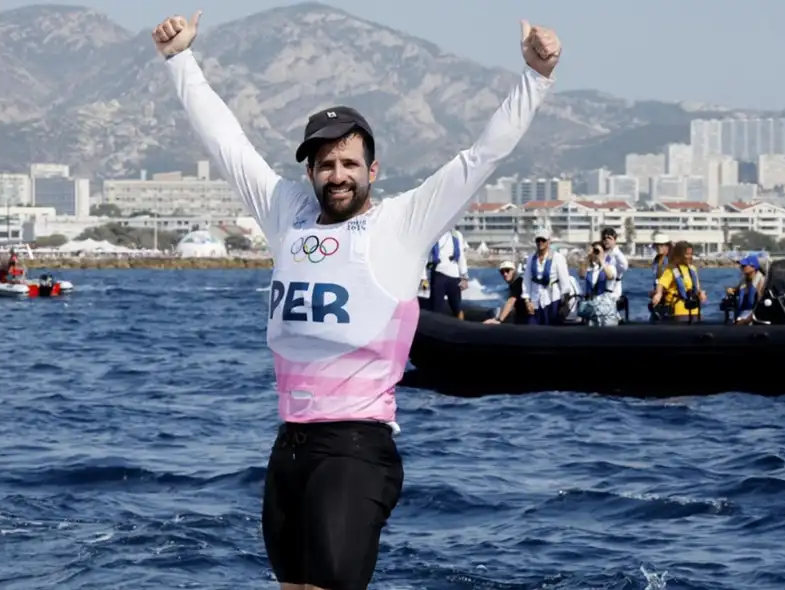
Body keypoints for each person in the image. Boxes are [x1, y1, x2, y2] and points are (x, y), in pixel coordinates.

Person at [152, 11, 560, 590]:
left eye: (348, 163)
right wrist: (180, 61)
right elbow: (227, 143)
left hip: (354, 449)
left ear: (372, 169)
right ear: (310, 172)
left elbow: (480, 158)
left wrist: (536, 77)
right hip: (288, 448)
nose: (336, 175)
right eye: (324, 164)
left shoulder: (402, 223)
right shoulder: (286, 214)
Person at [520, 228, 573, 325]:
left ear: (548, 241)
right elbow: (527, 280)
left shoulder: (558, 258)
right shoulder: (530, 258)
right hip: (535, 299)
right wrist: (527, 301)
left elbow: (565, 283)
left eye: (543, 240)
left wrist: (565, 304)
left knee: (552, 331)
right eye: (538, 240)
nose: (540, 242)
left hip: (552, 299)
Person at [650, 240, 707, 323]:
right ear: (679, 255)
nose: (689, 256)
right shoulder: (671, 270)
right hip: (678, 311)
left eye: (691, 254)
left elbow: (697, 288)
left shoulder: (692, 269)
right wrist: (659, 294)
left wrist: (701, 293)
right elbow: (661, 284)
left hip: (694, 311)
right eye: (686, 254)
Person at [425, 229, 469, 318]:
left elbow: (461, 256)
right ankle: (436, 327)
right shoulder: (432, 234)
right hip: (438, 274)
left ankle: (462, 327)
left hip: (454, 275)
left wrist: (464, 276)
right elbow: (426, 257)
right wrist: (424, 278)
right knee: (436, 308)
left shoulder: (457, 235)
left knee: (457, 307)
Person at [576, 241, 620, 326]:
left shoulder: (610, 266)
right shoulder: (589, 268)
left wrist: (601, 260)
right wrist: (586, 259)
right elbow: (581, 275)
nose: (595, 253)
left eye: (597, 251)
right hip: (591, 307)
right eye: (594, 251)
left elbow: (610, 276)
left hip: (606, 308)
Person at [726, 254, 765, 324]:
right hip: (743, 314)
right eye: (741, 266)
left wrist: (747, 320)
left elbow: (761, 306)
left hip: (753, 317)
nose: (741, 267)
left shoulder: (761, 281)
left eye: (744, 266)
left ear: (753, 267)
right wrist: (731, 290)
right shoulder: (744, 280)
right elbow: (738, 289)